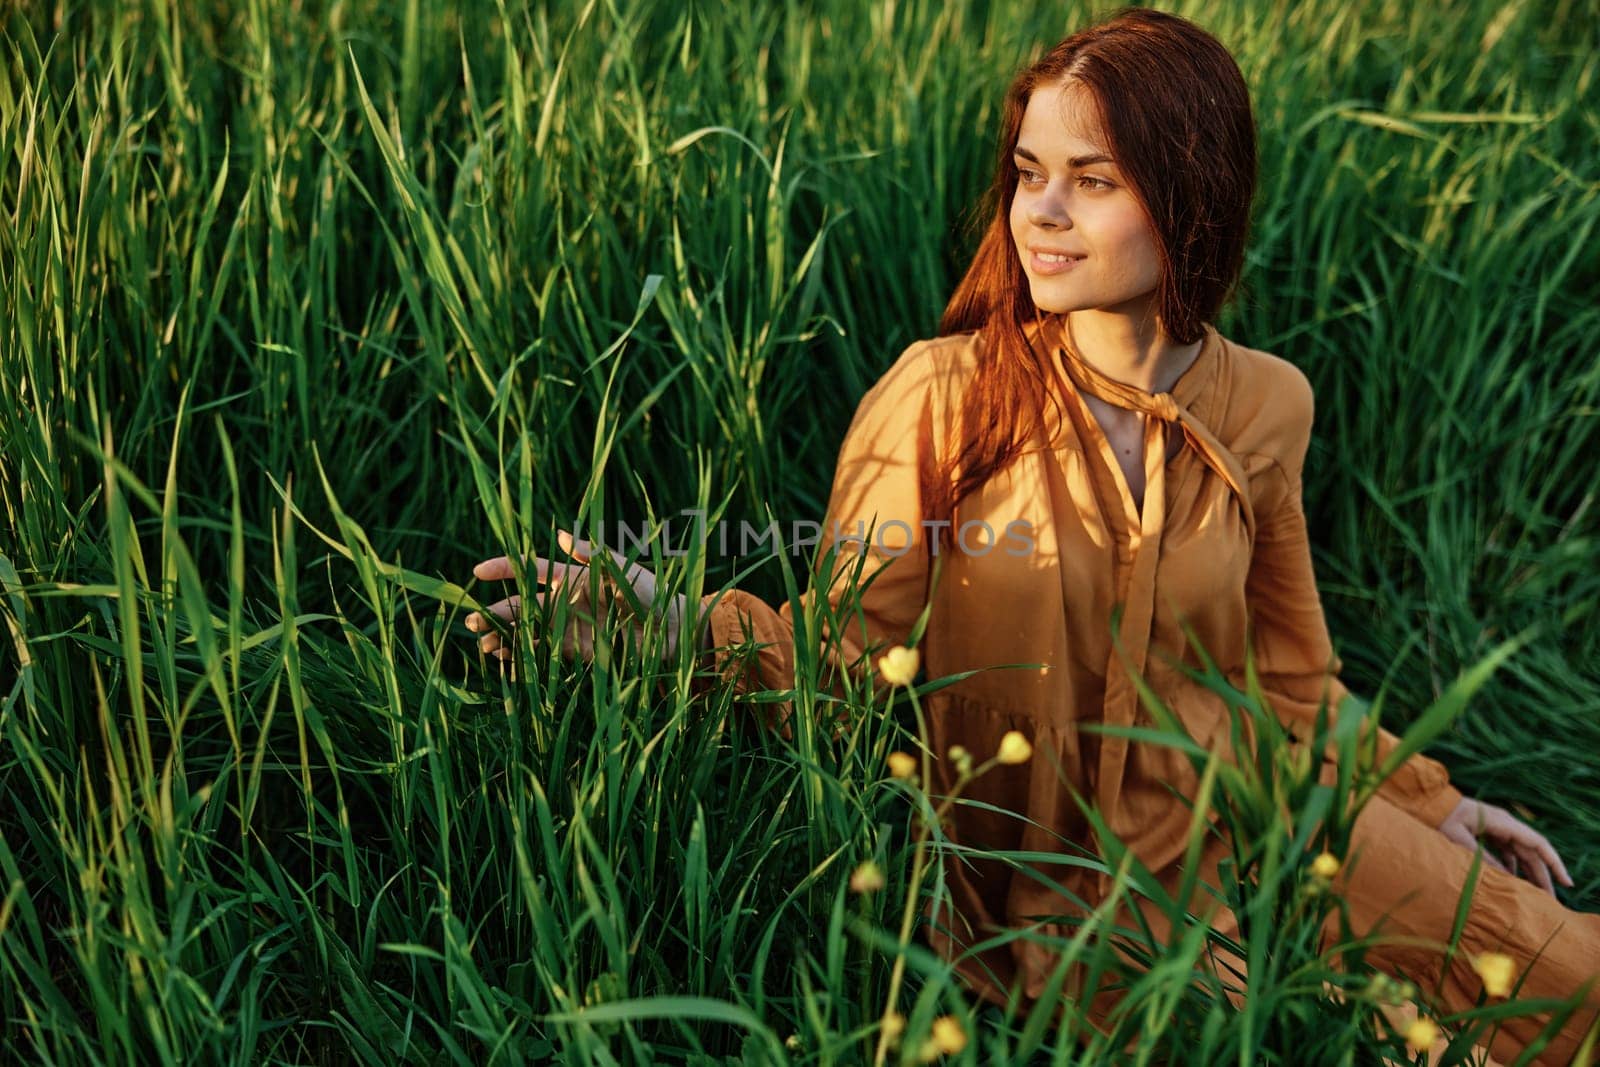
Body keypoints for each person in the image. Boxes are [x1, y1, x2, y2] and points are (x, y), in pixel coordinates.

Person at [464, 8, 1600, 1062]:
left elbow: (1289, 679)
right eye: (1028, 175)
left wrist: (1427, 797)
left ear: (1191, 193)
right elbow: (850, 665)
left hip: (1258, 798)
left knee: (1565, 980)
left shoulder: (1266, 402)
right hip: (1056, 885)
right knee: (1340, 1033)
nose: (1039, 214)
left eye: (1091, 180)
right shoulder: (940, 395)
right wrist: (671, 629)